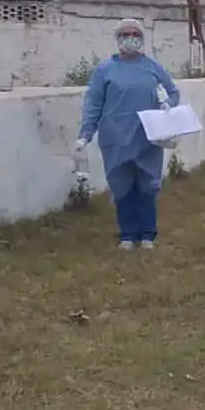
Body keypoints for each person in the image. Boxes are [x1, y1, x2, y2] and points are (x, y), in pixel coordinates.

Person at [76, 18, 181, 250]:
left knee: (146, 184)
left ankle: (147, 234)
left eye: (134, 33)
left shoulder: (153, 67)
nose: (129, 38)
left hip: (148, 136)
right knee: (122, 185)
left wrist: (167, 105)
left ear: (141, 38)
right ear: (117, 39)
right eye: (124, 34)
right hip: (115, 137)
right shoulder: (105, 70)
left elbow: (172, 92)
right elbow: (94, 103)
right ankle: (127, 234)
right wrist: (86, 134)